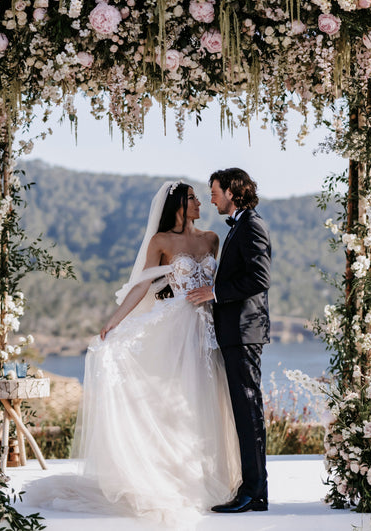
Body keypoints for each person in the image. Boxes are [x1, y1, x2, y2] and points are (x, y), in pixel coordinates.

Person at [22, 181, 241, 526]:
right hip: (177, 329)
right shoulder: (161, 242)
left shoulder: (212, 239)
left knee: (205, 401)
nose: (200, 202)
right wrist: (112, 322)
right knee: (175, 400)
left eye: (200, 197)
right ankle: (172, 479)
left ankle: (207, 475)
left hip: (208, 331)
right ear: (178, 205)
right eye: (193, 198)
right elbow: (142, 284)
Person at [187, 167, 271, 514]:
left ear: (232, 192)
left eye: (215, 191)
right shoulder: (240, 226)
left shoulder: (251, 226)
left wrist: (215, 292)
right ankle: (254, 491)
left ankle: (253, 492)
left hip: (244, 333)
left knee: (248, 412)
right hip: (234, 334)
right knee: (243, 412)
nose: (211, 197)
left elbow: (260, 278)